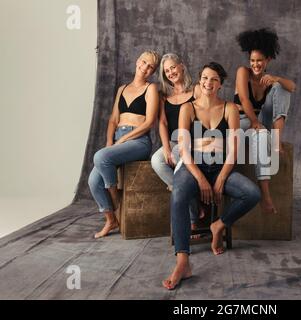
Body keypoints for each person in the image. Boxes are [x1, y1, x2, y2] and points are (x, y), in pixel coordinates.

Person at [162, 62, 261, 290]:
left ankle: (219, 225)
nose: (208, 83)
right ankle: (183, 262)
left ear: (220, 84)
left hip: (220, 166)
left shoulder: (229, 109)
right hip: (193, 165)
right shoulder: (189, 108)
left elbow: (234, 150)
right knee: (178, 195)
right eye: (205, 78)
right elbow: (184, 150)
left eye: (214, 79)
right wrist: (200, 178)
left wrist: (221, 177)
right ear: (199, 80)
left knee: (251, 193)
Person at [88, 51, 160, 239]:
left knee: (100, 157)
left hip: (138, 141)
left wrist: (123, 140)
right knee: (93, 181)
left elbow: (149, 122)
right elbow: (113, 120)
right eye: (144, 62)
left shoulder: (151, 89)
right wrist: (110, 142)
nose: (145, 67)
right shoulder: (122, 89)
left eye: (150, 66)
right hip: (119, 138)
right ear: (137, 61)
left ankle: (116, 200)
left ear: (153, 71)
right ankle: (111, 219)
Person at [234, 28, 296, 214]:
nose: (255, 64)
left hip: (262, 121)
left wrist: (276, 78)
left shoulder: (269, 80)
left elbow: (292, 87)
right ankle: (266, 196)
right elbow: (244, 100)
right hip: (244, 121)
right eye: (252, 60)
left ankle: (276, 140)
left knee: (281, 87)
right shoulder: (243, 72)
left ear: (268, 60)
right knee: (260, 136)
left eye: (259, 60)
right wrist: (255, 121)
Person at [150, 53, 204, 236]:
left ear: (181, 66)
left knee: (181, 157)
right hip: (173, 141)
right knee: (157, 160)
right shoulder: (164, 96)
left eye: (173, 67)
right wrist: (165, 147)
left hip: (194, 141)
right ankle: (194, 201)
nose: (171, 72)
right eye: (166, 71)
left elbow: (206, 114)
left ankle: (193, 220)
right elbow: (163, 123)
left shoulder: (196, 90)